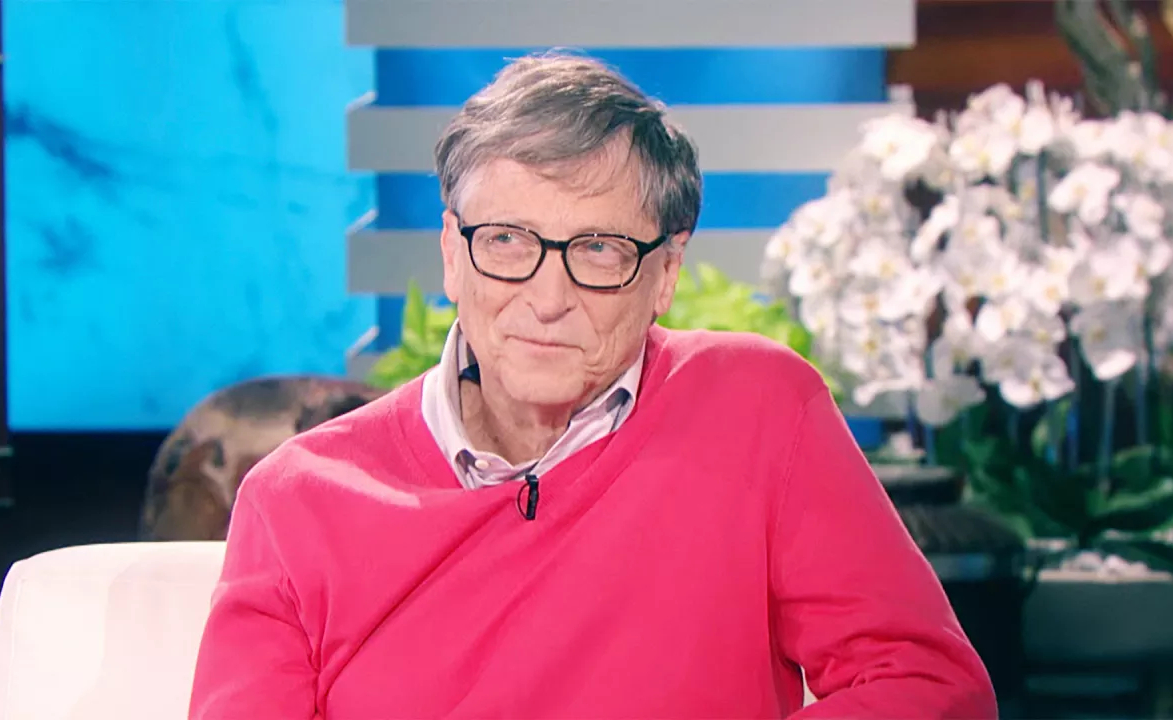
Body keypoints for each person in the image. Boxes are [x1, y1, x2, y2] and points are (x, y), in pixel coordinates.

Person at [189, 52, 997, 719]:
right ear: (452, 252)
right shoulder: (297, 503)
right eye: (507, 241)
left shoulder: (760, 408)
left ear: (666, 271)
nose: (548, 298)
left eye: (599, 250)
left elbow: (929, 686)